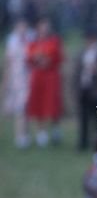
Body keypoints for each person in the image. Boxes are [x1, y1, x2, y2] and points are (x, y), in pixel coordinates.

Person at [26, 18, 64, 147]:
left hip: (51, 77)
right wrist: (37, 59)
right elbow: (29, 58)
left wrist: (48, 60)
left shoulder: (54, 41)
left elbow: (59, 57)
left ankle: (55, 128)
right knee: (38, 104)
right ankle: (41, 132)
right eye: (42, 27)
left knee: (52, 103)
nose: (44, 29)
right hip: (38, 77)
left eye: (46, 27)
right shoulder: (34, 42)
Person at [74, 30, 97, 152]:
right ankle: (83, 142)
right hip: (84, 89)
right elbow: (77, 71)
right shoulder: (83, 53)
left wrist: (96, 68)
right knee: (83, 118)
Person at [2, 19, 33, 148]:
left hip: (29, 78)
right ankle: (20, 135)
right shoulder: (12, 41)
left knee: (27, 108)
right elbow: (8, 62)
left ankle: (25, 133)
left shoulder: (31, 39)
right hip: (16, 79)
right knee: (20, 108)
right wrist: (5, 80)